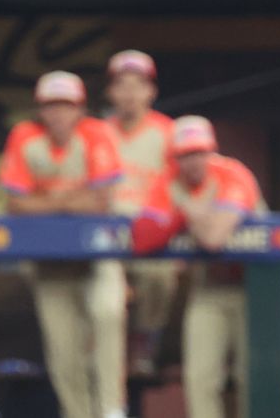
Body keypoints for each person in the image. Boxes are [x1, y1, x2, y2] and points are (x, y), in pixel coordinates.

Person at [0, 70, 126, 418]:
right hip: (49, 260)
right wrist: (72, 200)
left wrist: (46, 202)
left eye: (66, 105)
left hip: (97, 253)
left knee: (108, 312)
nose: (58, 113)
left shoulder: (96, 133)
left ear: (80, 107)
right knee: (63, 352)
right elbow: (15, 204)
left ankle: (112, 408)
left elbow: (101, 200)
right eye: (51, 105)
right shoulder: (25, 136)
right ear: (40, 109)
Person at [133, 116, 265, 418]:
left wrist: (185, 212)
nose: (193, 161)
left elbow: (214, 238)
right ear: (175, 158)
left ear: (211, 151)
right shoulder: (168, 181)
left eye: (199, 152)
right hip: (210, 288)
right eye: (185, 154)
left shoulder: (233, 173)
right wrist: (186, 215)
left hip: (257, 289)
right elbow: (141, 239)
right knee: (200, 378)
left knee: (251, 377)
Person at [103, 50, 177, 375]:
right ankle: (105, 349)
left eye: (139, 85)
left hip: (154, 234)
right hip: (106, 232)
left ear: (152, 91)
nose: (131, 93)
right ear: (111, 92)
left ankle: (146, 338)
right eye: (122, 85)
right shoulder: (98, 132)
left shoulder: (170, 133)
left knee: (160, 274)